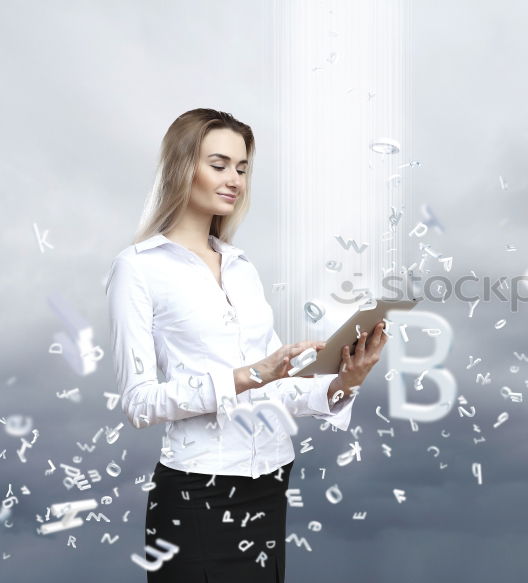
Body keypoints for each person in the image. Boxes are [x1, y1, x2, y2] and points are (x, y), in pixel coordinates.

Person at [105, 108, 385, 582]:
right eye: (219, 164)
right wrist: (246, 376)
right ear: (181, 167)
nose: (234, 179)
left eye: (241, 167)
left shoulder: (241, 267)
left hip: (269, 486)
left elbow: (276, 384)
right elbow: (138, 403)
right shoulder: (138, 268)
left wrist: (344, 381)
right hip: (197, 492)